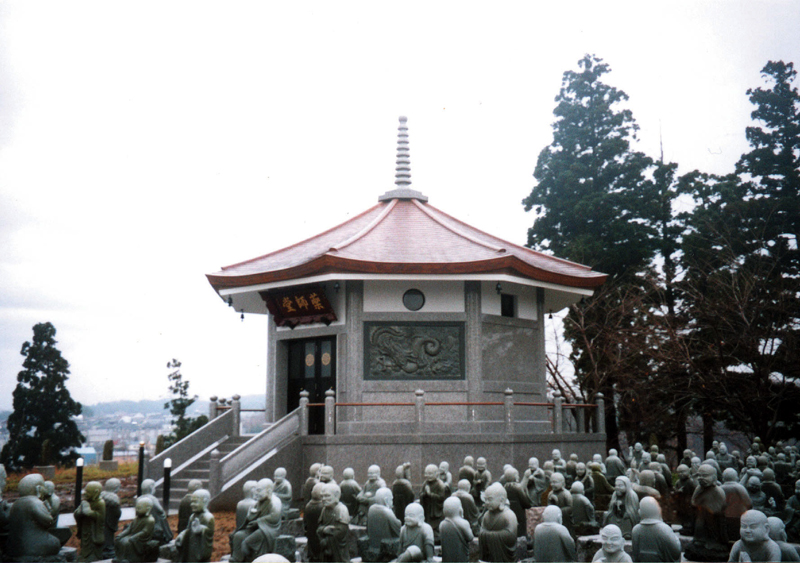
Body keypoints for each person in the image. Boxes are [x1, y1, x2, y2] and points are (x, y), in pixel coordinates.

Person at [6, 473, 61, 559]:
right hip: (33, 546)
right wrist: (48, 509)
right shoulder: (36, 502)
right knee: (56, 542)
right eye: (44, 487)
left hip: (14, 546)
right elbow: (49, 522)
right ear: (38, 489)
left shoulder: (15, 504)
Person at [684, 463, 729, 562]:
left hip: (714, 519)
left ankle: (713, 543)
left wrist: (710, 509)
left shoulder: (718, 491)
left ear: (714, 477)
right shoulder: (699, 488)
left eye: (704, 476)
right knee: (699, 530)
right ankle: (699, 541)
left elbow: (720, 508)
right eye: (699, 475)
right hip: (701, 516)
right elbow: (693, 502)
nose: (700, 478)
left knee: (713, 533)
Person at [230, 478, 282, 562]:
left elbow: (274, 517)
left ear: (268, 491)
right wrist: (251, 515)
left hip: (268, 529)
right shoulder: (260, 501)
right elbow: (252, 515)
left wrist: (258, 522)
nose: (256, 493)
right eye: (256, 490)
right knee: (238, 536)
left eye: (259, 490)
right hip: (258, 527)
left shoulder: (275, 502)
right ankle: (237, 558)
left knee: (247, 542)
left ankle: (254, 559)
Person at [631, 496, 680, 563]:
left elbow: (635, 554)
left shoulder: (636, 530)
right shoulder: (664, 529)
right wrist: (676, 540)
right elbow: (676, 551)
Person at [479, 483, 518, 562]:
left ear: (501, 500)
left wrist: (488, 535)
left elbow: (511, 536)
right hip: (490, 554)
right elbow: (481, 531)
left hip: (504, 555)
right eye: (485, 499)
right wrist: (484, 534)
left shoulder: (508, 515)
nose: (487, 502)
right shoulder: (486, 515)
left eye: (490, 499)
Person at [173, 489, 214, 563]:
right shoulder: (192, 516)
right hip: (190, 547)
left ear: (205, 502)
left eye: (195, 502)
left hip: (199, 550)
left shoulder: (208, 517)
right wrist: (182, 535)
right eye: (192, 502)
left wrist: (201, 529)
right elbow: (188, 529)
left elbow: (209, 533)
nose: (192, 504)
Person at [115, 497, 157, 563]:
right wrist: (121, 535)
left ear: (148, 509)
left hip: (142, 539)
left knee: (128, 543)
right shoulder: (136, 518)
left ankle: (132, 558)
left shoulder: (150, 520)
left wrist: (134, 537)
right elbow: (129, 529)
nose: (136, 510)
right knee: (120, 540)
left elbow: (145, 532)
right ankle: (120, 557)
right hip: (133, 536)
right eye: (136, 508)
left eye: (139, 508)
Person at [318, 483, 351, 563]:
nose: (324, 499)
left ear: (336, 495)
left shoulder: (341, 509)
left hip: (337, 548)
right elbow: (319, 527)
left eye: (327, 496)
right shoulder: (324, 509)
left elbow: (341, 531)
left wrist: (327, 540)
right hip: (326, 546)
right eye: (322, 496)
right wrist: (323, 530)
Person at [365, 487, 400, 560]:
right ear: (386, 500)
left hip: (373, 546)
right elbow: (398, 530)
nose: (392, 502)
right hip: (386, 548)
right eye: (391, 499)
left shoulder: (371, 508)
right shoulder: (387, 511)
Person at [74, 481, 106, 562]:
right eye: (85, 490)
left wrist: (90, 513)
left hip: (94, 531)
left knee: (93, 547)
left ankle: (93, 557)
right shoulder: (85, 501)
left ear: (96, 492)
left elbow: (101, 518)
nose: (85, 493)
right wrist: (79, 513)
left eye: (88, 492)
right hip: (85, 527)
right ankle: (84, 556)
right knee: (84, 544)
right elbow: (76, 513)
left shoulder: (100, 503)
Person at [721, 467, 753, 541]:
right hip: (739, 516)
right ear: (735, 477)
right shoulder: (739, 487)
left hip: (725, 516)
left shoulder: (720, 488)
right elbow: (748, 503)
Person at [440, 496, 474, 563]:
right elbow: (470, 537)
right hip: (461, 557)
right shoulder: (464, 523)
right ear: (460, 510)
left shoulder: (442, 524)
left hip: (447, 558)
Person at [139, 479, 173, 545]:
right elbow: (160, 510)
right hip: (154, 522)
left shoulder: (139, 498)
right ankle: (167, 536)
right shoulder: (153, 499)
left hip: (143, 522)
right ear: (151, 488)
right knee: (162, 517)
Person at [503, 466, 531, 537]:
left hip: (508, 512)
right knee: (520, 530)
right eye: (517, 475)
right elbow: (526, 503)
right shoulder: (518, 487)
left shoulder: (504, 487)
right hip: (519, 513)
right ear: (514, 477)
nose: (518, 477)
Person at [303, 482, 325, 563]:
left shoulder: (308, 505)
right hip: (321, 539)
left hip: (311, 538)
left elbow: (305, 523)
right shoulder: (323, 507)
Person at [101, 478, 122, 559]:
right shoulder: (114, 497)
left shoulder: (101, 494)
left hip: (101, 520)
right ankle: (108, 550)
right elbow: (116, 512)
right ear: (116, 487)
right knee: (108, 537)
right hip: (109, 521)